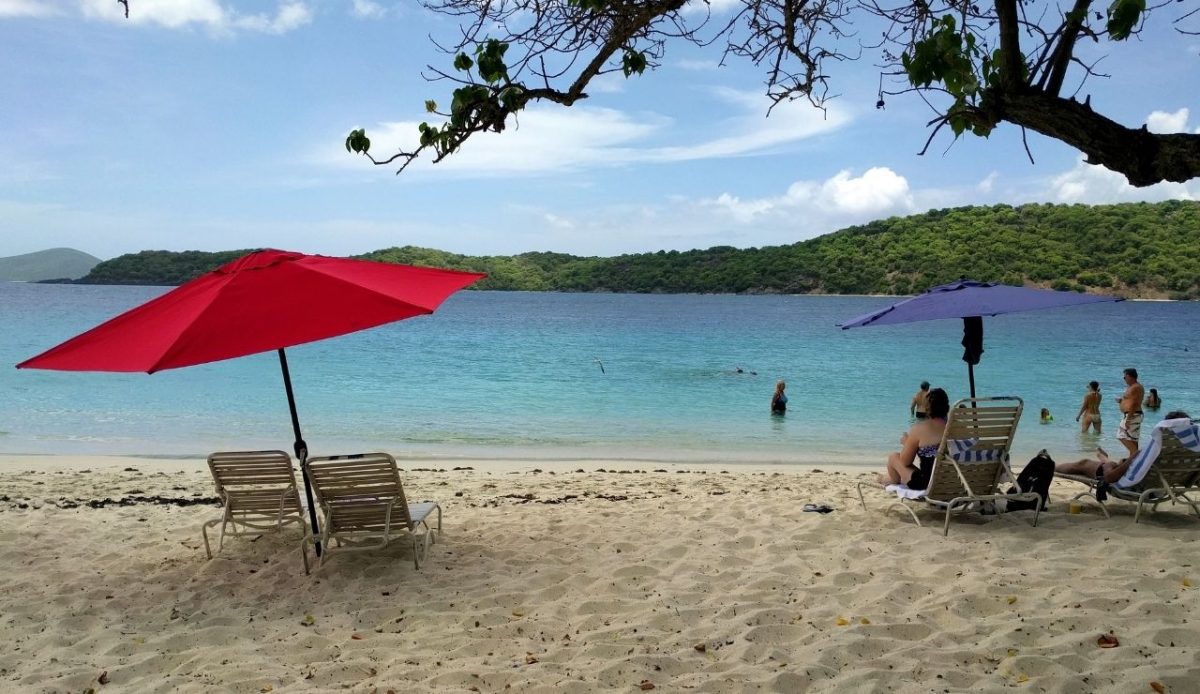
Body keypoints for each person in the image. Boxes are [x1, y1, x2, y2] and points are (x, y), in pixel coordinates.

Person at [1058, 410, 1190, 483]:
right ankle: (1105, 460)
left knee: (1084, 463)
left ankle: (1051, 466)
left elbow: (1110, 478)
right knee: (1116, 463)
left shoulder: (1156, 449)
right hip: (1163, 484)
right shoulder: (1190, 452)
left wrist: (1133, 457)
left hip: (1134, 482)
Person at [880, 387, 950, 489]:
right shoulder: (957, 428)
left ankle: (890, 481)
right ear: (946, 406)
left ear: (926, 408)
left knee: (893, 457)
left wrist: (907, 442)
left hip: (927, 484)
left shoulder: (919, 429)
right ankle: (888, 479)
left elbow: (905, 462)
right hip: (954, 482)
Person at [1115, 367, 1145, 458]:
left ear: (1129, 376)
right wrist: (1121, 401)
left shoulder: (1136, 387)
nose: (1124, 379)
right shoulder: (1133, 387)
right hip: (1133, 415)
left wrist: (1128, 419)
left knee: (1121, 436)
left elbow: (1134, 403)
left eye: (1125, 377)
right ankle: (1134, 461)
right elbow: (1130, 401)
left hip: (1132, 415)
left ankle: (1138, 456)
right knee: (1132, 439)